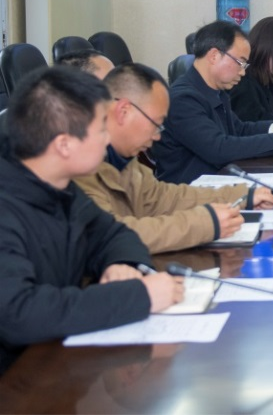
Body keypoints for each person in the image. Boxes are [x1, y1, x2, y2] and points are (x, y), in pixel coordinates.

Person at [0, 66, 183, 375]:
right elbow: (20, 314)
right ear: (64, 144)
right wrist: (138, 296)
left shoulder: (61, 187)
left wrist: (122, 264)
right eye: (101, 130)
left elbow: (113, 234)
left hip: (54, 366)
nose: (108, 138)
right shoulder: (8, 206)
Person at [74, 63, 273, 254]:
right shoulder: (80, 168)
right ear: (124, 111)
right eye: (155, 124)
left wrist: (242, 195)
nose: (157, 136)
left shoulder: (125, 160)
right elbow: (113, 235)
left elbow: (163, 198)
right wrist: (205, 224)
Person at [150, 21, 273, 184]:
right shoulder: (182, 99)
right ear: (214, 55)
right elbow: (218, 148)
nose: (243, 72)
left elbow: (240, 129)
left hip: (220, 182)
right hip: (191, 190)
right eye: (240, 63)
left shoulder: (216, 92)